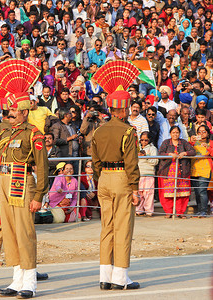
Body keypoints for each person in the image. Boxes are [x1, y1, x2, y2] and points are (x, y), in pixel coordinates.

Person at [0, 60, 48, 299]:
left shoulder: (33, 133)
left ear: (24, 112)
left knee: (25, 232)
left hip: (23, 182)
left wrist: (39, 195)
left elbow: (42, 166)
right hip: (4, 181)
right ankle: (16, 279)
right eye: (8, 109)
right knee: (10, 232)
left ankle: (30, 281)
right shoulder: (5, 131)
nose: (9, 113)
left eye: (13, 109)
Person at [91, 87, 141, 289]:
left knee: (106, 228)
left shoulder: (98, 130)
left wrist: (99, 179)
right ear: (124, 109)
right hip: (121, 178)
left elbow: (94, 161)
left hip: (103, 177)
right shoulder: (128, 131)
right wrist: (135, 187)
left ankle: (105, 276)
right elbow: (131, 162)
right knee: (122, 228)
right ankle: (120, 278)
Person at [157, 126, 196, 218]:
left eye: (177, 132)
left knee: (182, 193)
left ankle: (180, 212)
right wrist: (169, 154)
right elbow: (160, 153)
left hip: (182, 172)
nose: (175, 134)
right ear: (170, 133)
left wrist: (185, 153)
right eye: (173, 132)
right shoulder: (166, 142)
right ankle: (168, 212)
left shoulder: (184, 143)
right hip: (168, 172)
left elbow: (193, 151)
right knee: (167, 194)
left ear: (179, 133)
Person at [189, 125, 213, 217]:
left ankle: (203, 211)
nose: (201, 134)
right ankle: (199, 211)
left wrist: (207, 147)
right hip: (195, 169)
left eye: (204, 132)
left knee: (202, 191)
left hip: (206, 169)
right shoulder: (194, 142)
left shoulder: (211, 142)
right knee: (197, 191)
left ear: (207, 133)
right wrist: (191, 141)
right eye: (199, 132)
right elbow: (187, 148)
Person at [137, 132, 158, 217]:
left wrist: (146, 156)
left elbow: (155, 161)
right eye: (142, 140)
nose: (144, 142)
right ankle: (139, 210)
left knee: (148, 193)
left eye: (146, 140)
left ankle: (149, 211)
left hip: (149, 173)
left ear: (149, 140)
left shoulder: (153, 149)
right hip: (139, 173)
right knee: (139, 193)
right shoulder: (136, 148)